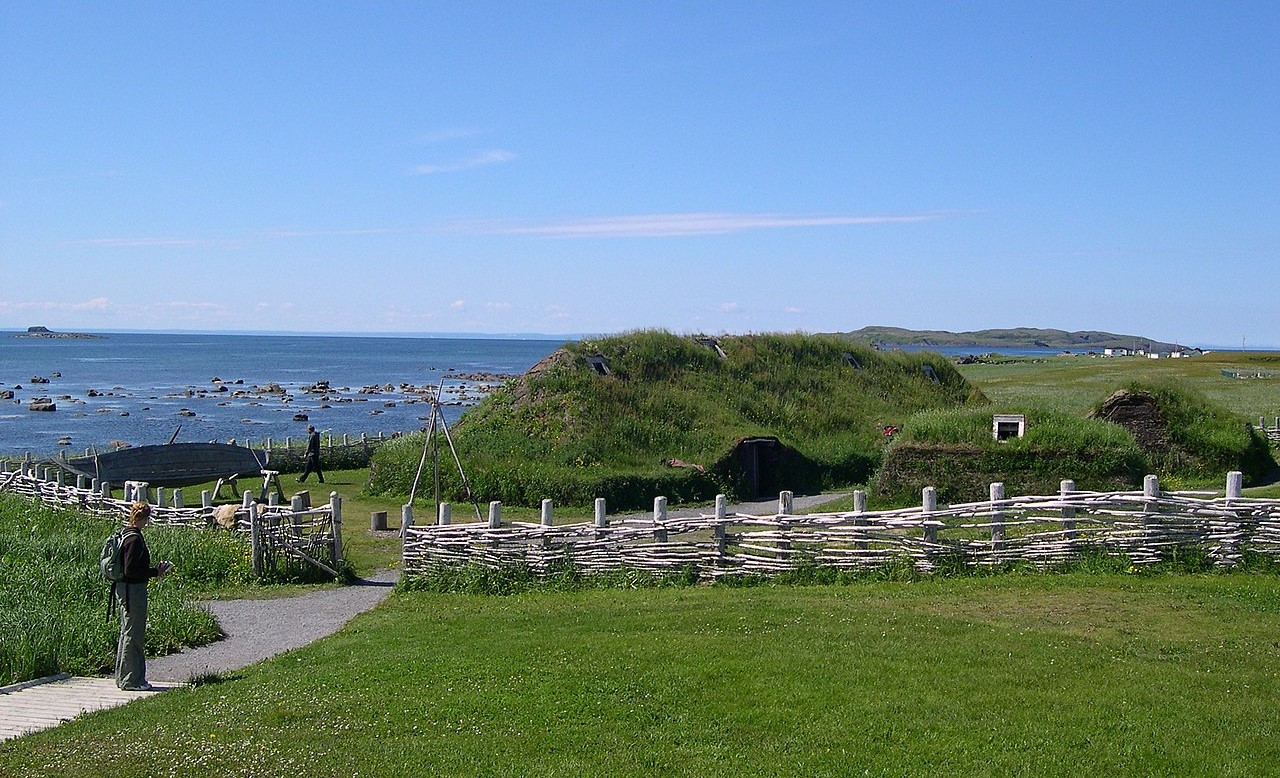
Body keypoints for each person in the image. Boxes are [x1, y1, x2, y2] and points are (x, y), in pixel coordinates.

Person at [115, 501, 172, 691]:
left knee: (127, 633)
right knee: (134, 635)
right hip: (134, 592)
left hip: (125, 590)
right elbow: (131, 570)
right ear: (143, 518)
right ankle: (133, 680)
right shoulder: (134, 539)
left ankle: (123, 678)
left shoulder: (125, 534)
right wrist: (155, 572)